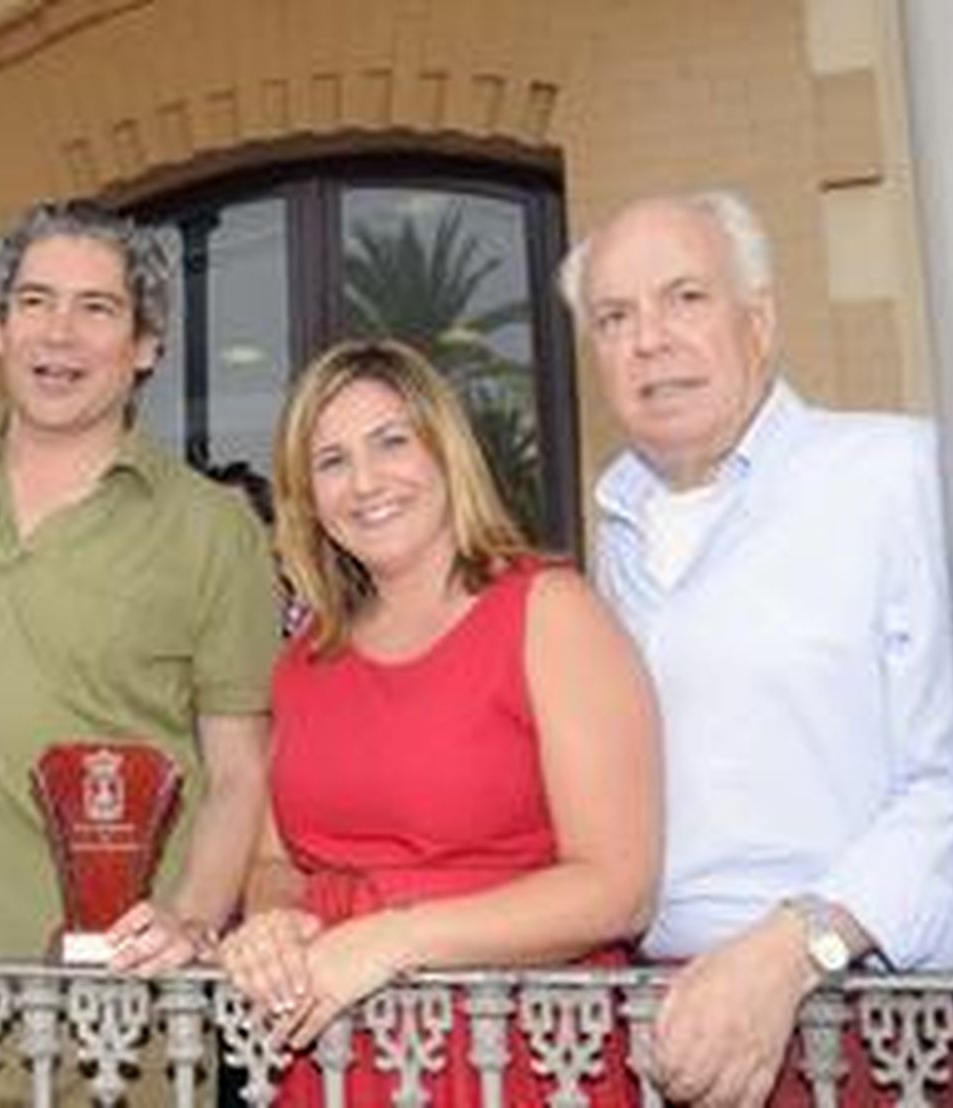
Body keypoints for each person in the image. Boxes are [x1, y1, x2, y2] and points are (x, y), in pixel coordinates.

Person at [561, 190, 953, 1107]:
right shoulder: (612, 529)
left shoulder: (899, 476)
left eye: (686, 298)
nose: (650, 340)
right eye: (614, 317)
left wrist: (798, 948)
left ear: (761, 319)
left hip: (869, 1024)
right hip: (655, 1026)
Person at [217, 339, 660, 1106]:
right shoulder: (305, 661)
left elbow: (618, 889)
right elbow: (273, 864)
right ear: (306, 498)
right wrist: (272, 929)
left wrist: (397, 938)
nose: (365, 482)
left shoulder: (551, 614)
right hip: (330, 1062)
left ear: (446, 451)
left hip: (515, 1054)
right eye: (331, 461)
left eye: (392, 441)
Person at [0, 200, 279, 978]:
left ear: (145, 345)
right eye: (34, 302)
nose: (58, 333)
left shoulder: (213, 532)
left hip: (113, 1026)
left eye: (96, 308)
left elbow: (240, 772)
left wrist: (191, 920)